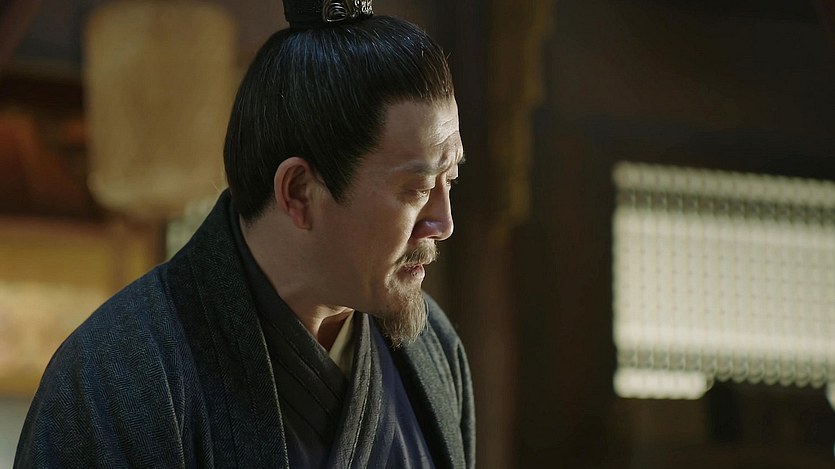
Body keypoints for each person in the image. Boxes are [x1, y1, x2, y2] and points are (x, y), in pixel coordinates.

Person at [14, 1, 475, 467]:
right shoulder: (115, 376)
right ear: (299, 192)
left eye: (449, 181)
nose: (444, 223)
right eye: (417, 189)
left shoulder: (433, 349)